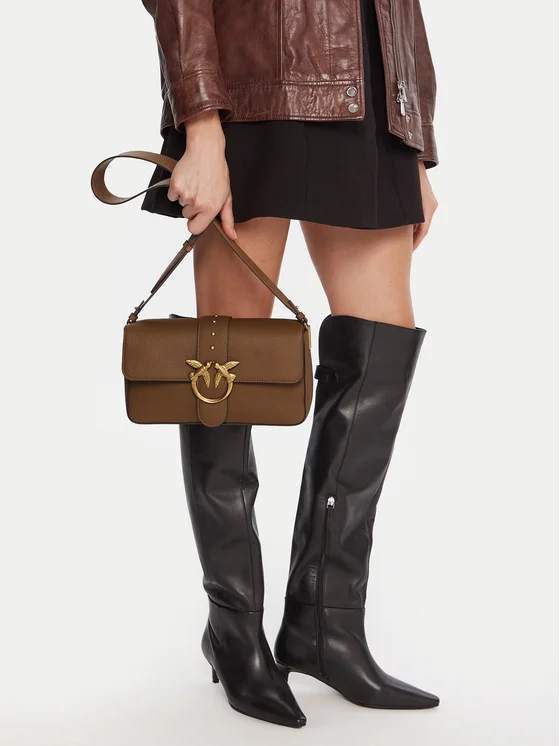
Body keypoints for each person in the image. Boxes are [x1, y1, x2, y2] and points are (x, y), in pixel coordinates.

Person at [140, 0, 440, 728]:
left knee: (381, 343)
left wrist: (414, 135)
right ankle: (233, 626)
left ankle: (325, 626)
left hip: (372, 100)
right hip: (252, 86)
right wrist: (200, 124)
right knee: (225, 362)